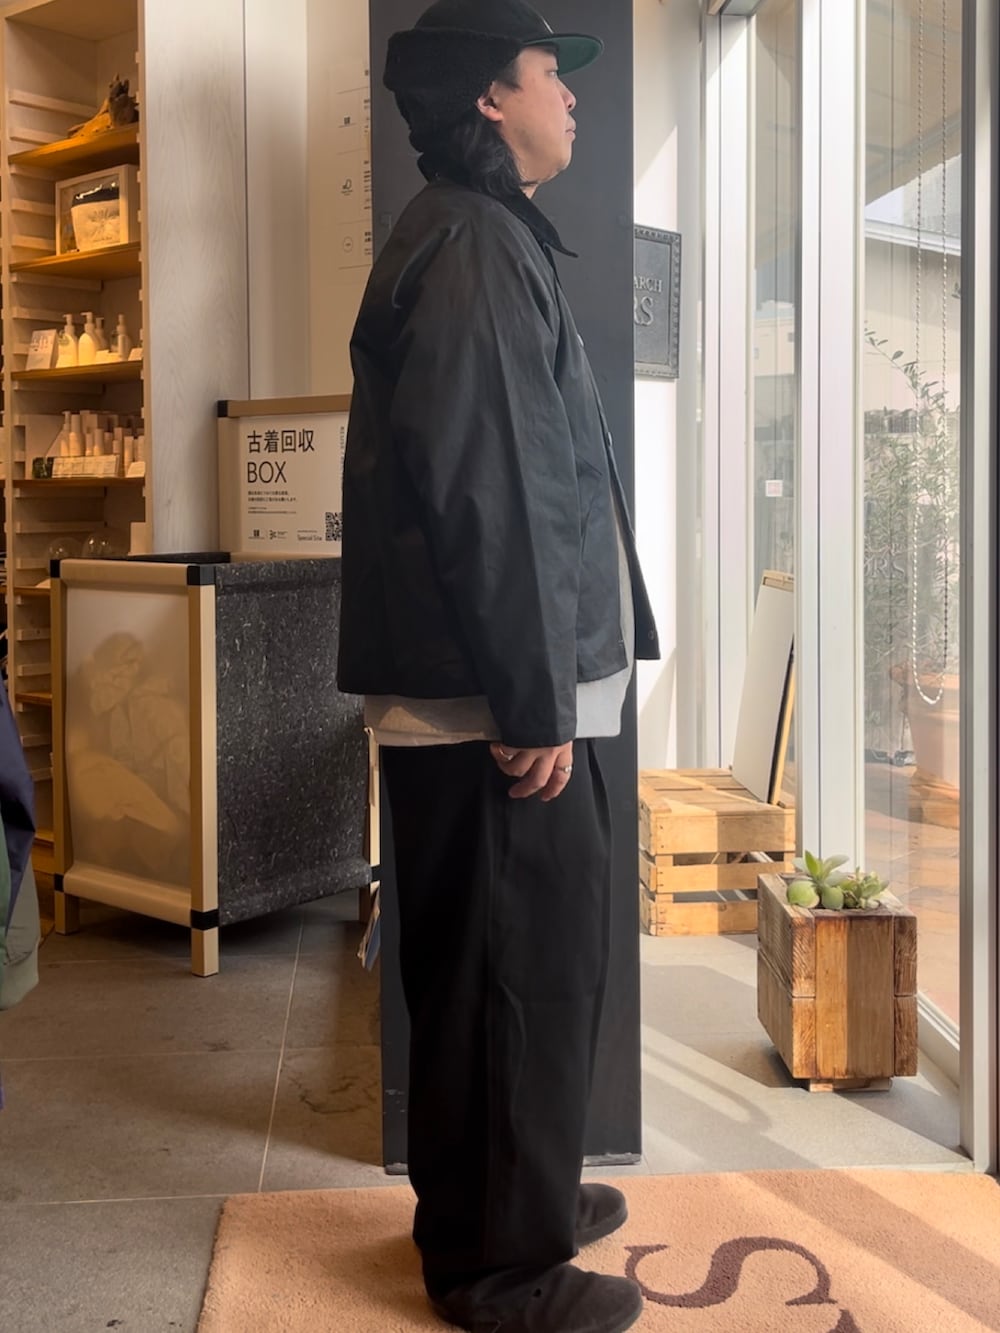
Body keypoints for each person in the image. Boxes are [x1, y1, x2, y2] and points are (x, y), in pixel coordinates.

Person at [338, 3, 659, 1329]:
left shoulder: (476, 234)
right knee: (512, 977)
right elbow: (500, 489)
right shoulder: (471, 244)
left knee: (509, 969)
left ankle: (508, 1199)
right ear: (488, 97)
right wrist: (533, 699)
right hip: (496, 705)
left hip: (498, 692)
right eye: (547, 75)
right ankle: (499, 1270)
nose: (570, 97)